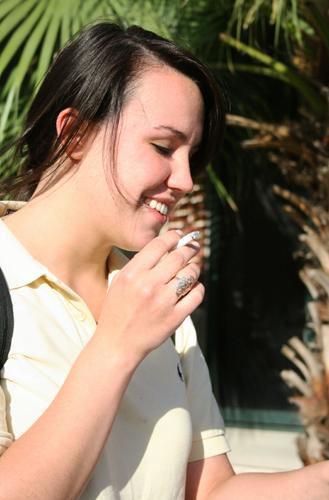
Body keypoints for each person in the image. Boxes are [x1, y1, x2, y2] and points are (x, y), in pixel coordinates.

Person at [0, 21, 328, 500]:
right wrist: (116, 346)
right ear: (73, 134)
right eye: (162, 147)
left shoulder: (158, 302)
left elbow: (210, 490)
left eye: (191, 155)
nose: (186, 180)